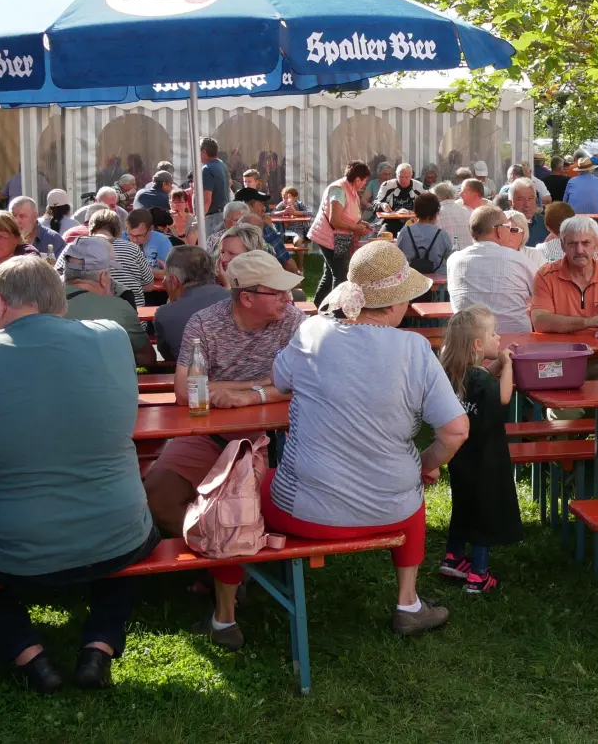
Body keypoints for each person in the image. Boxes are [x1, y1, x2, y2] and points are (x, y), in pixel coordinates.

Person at [0, 256, 159, 692]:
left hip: (13, 550)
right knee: (130, 520)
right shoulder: (111, 339)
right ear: (59, 300)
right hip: (116, 537)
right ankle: (99, 646)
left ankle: (29, 655)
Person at [238, 241, 466, 636]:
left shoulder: (313, 331)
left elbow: (278, 380)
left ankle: (229, 595)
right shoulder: (415, 349)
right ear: (396, 304)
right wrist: (425, 466)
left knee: (251, 483)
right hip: (390, 508)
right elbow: (456, 431)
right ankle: (407, 602)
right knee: (410, 491)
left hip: (304, 511)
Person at [142, 252, 307, 631]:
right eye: (278, 291)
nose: (288, 297)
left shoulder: (293, 321)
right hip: (209, 433)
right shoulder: (206, 322)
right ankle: (225, 557)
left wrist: (250, 396)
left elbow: (303, 380)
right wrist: (266, 384)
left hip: (273, 437)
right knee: (156, 496)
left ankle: (230, 571)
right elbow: (185, 392)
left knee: (247, 504)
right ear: (246, 298)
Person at [432, 306, 522, 595]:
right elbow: (503, 396)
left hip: (461, 458)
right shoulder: (481, 379)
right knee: (484, 514)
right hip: (486, 459)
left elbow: (484, 379)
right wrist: (508, 365)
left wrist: (497, 365)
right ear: (479, 345)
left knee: (463, 506)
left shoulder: (456, 373)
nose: (499, 337)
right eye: (494, 333)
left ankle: (453, 556)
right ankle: (479, 576)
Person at [529, 215, 598, 342]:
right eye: (572, 243)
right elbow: (540, 322)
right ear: (562, 245)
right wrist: (591, 321)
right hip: (562, 355)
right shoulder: (546, 276)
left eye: (585, 243)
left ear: (597, 244)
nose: (579, 250)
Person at [58, 237, 153, 367]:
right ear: (103, 278)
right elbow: (148, 358)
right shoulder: (119, 308)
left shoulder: (43, 306)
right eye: (109, 274)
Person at [447, 204, 537, 333]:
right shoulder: (519, 259)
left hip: (468, 342)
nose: (510, 232)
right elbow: (541, 292)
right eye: (508, 228)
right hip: (516, 341)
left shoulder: (454, 259)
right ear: (499, 231)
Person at [307, 161, 373, 306]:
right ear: (357, 179)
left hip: (336, 238)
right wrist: (355, 228)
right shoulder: (338, 189)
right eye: (364, 181)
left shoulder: (348, 188)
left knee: (331, 274)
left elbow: (347, 215)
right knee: (340, 274)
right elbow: (335, 219)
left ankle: (319, 307)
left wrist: (360, 223)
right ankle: (336, 312)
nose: (365, 184)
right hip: (330, 238)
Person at [152, 245, 229, 364]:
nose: (163, 282)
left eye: (165, 276)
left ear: (174, 280)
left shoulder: (165, 314)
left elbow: (168, 356)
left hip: (194, 379)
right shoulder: (232, 297)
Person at [88, 211, 153, 308]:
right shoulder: (133, 249)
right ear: (119, 231)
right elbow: (149, 285)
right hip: (133, 318)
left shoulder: (74, 248)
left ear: (90, 229)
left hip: (89, 319)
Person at [396, 192, 453, 274]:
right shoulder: (442, 234)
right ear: (436, 214)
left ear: (415, 212)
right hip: (437, 279)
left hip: (410, 278)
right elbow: (450, 257)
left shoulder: (405, 231)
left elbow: (398, 254)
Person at [197, 137, 230, 238]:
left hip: (213, 218)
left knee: (209, 248)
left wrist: (199, 220)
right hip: (223, 214)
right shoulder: (222, 165)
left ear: (203, 152)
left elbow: (207, 200)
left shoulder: (207, 169)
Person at [126, 208, 173, 276]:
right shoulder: (121, 239)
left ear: (151, 229)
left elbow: (170, 274)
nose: (134, 240)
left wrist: (143, 271)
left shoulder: (162, 241)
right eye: (130, 235)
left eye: (139, 235)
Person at [508, 178, 548, 247]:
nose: (527, 204)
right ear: (511, 202)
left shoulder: (546, 224)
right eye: (521, 199)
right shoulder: (502, 226)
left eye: (530, 198)